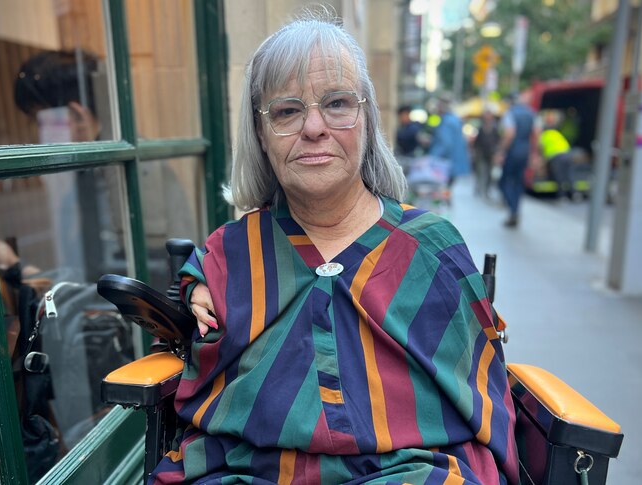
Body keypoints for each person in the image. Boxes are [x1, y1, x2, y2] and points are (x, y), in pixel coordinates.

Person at [150, 11, 518, 484]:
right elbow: (201, 293)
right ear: (260, 135)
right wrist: (195, 283)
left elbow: (484, 401)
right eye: (286, 111)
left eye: (337, 103)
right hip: (248, 470)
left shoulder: (431, 247)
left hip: (408, 471)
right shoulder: (232, 250)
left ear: (366, 120)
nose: (314, 127)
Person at [496, 92, 538, 228]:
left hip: (512, 152)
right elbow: (536, 134)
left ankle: (512, 209)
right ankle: (515, 210)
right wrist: (534, 154)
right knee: (519, 183)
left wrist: (501, 151)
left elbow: (509, 134)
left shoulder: (510, 113)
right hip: (525, 151)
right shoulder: (532, 113)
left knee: (504, 182)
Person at [428, 95, 471, 204]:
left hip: (447, 164)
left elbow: (445, 144)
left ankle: (445, 208)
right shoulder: (454, 119)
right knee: (447, 189)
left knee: (443, 190)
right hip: (454, 163)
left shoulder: (447, 122)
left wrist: (431, 158)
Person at [537, 118, 574, 200]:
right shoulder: (556, 133)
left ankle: (562, 196)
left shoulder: (544, 136)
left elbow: (541, 149)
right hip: (567, 154)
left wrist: (542, 161)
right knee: (568, 174)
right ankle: (574, 194)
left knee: (559, 176)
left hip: (556, 157)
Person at [472, 110, 499, 198]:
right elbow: (477, 142)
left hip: (491, 154)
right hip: (481, 154)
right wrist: (475, 151)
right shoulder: (481, 128)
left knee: (489, 173)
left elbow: (497, 141)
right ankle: (479, 188)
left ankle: (486, 190)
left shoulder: (495, 128)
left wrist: (497, 153)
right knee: (481, 171)